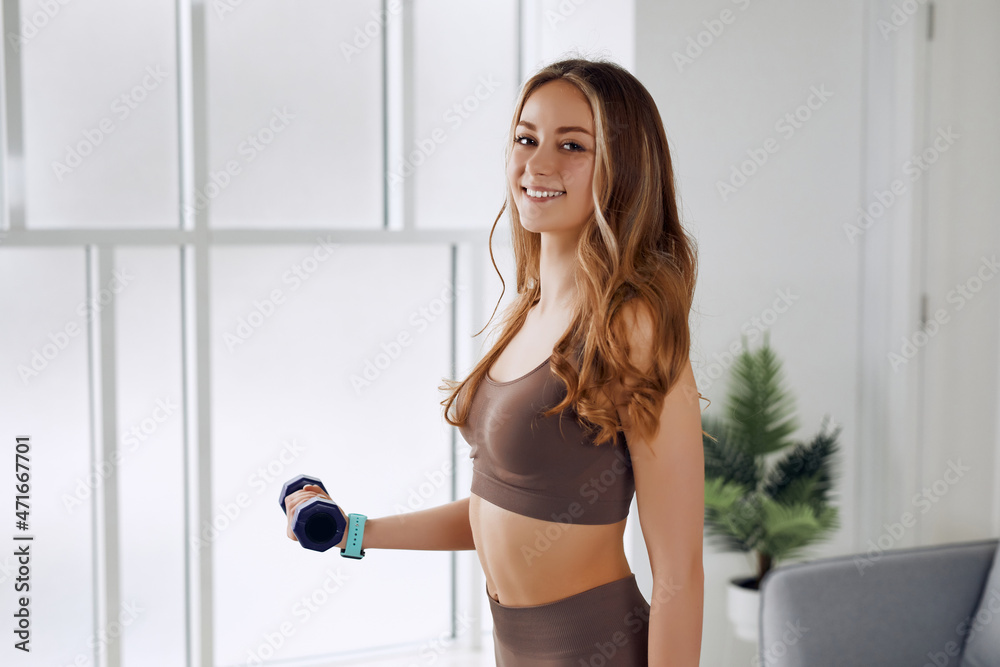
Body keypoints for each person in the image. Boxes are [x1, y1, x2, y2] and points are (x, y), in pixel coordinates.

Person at [285, 56, 706, 667]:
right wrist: (351, 531)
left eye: (572, 145)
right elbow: (504, 509)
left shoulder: (630, 325)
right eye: (525, 138)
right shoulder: (528, 310)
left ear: (624, 168)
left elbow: (679, 573)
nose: (537, 165)